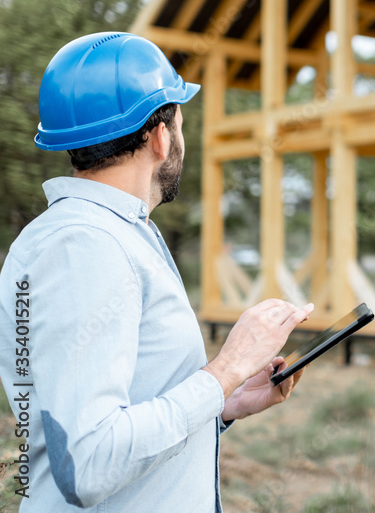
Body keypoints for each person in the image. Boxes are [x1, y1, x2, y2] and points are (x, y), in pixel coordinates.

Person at [0, 32, 314, 511]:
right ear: (160, 137)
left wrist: (224, 401)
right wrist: (224, 369)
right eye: (180, 123)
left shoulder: (106, 235)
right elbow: (88, 464)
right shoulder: (86, 248)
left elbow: (116, 411)